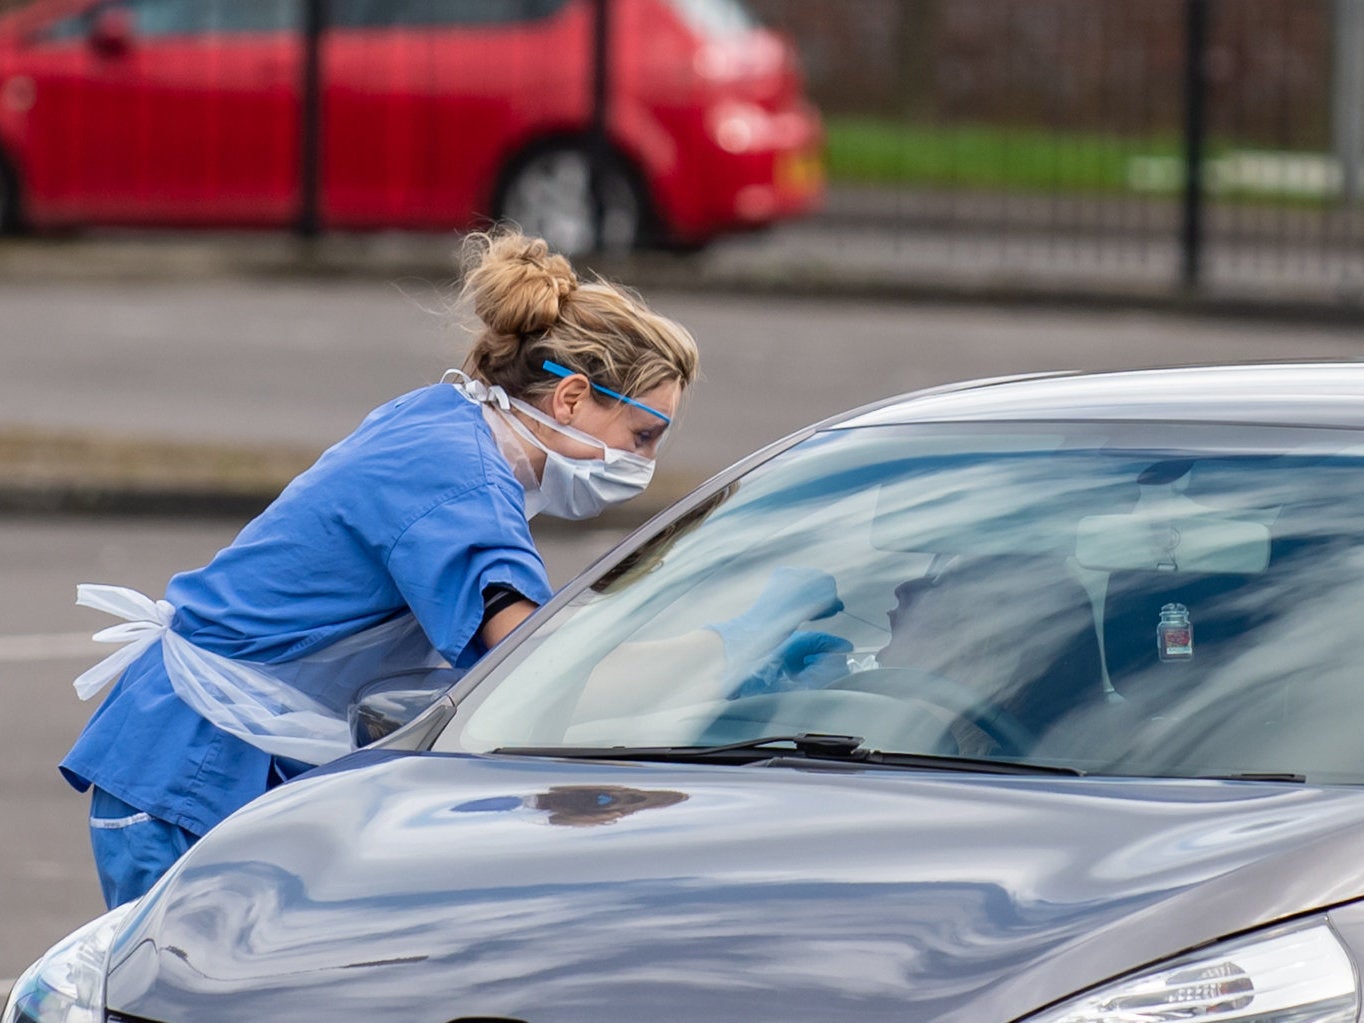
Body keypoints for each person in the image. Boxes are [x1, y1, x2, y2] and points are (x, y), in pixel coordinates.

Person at [60, 229, 700, 909]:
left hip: (192, 757)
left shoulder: (445, 417)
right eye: (643, 436)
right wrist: (722, 648)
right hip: (187, 774)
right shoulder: (459, 483)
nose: (645, 463)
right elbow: (530, 660)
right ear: (571, 397)